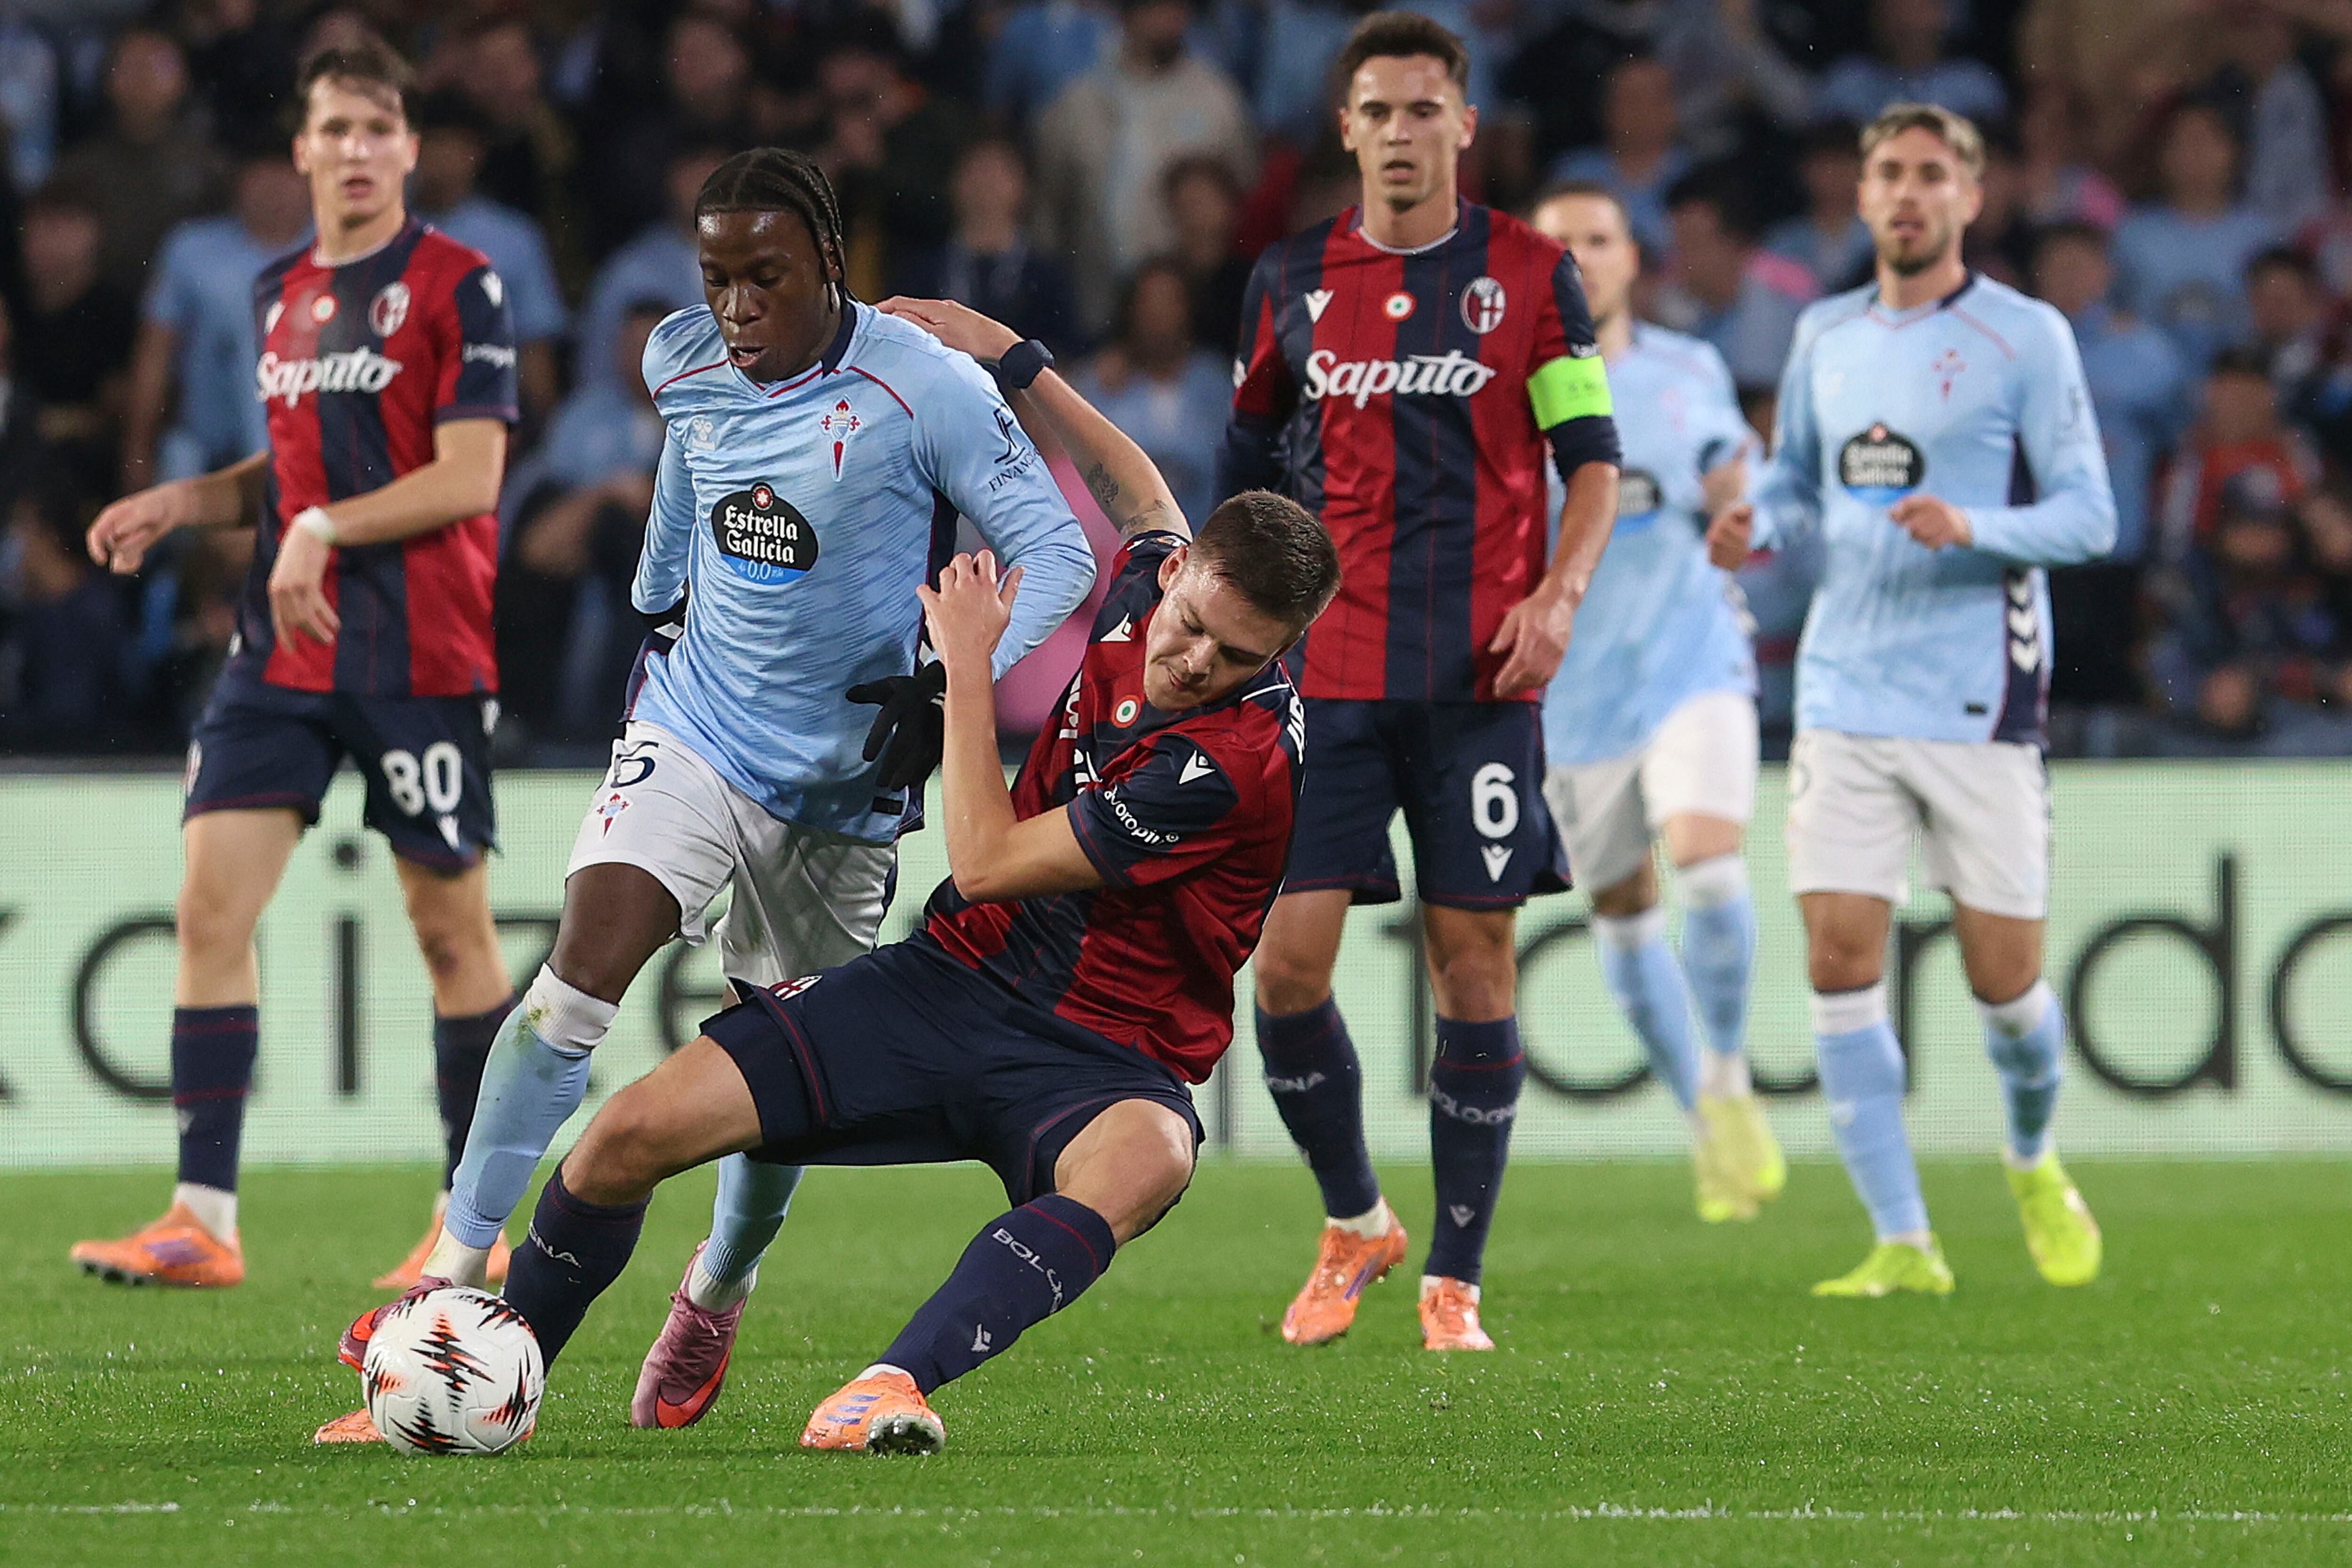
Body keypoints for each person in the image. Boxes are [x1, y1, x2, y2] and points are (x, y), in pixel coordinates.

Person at [439, 291, 1337, 1456]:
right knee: (620, 1139)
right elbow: (1141, 495)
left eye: (1238, 657)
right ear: (1177, 578)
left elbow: (990, 857)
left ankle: (886, 1386)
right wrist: (1015, 358)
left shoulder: (1237, 759)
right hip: (952, 984)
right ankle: (483, 1382)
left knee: (1151, 1158)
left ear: (1281, 657)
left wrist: (965, 665)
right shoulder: (1155, 579)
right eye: (1195, 624)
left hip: (1114, 1049)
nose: (1195, 661)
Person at [319, 150, 1097, 1444]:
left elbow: (1062, 551)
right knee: (572, 979)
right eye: (718, 276)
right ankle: (450, 1279)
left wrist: (954, 692)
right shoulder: (680, 357)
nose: (736, 305)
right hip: (695, 725)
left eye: (766, 278)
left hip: (849, 785)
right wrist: (657, 602)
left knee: (779, 1071)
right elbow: (684, 504)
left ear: (831, 267)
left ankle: (719, 1287)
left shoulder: (927, 388)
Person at [70, 39, 522, 1292]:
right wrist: (188, 498)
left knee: (450, 936)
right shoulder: (277, 291)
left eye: (382, 128)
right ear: (302, 152)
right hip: (284, 653)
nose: (359, 150)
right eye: (336, 129)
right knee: (211, 906)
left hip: (419, 650)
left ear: (412, 150)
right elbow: (306, 470)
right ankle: (202, 1215)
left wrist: (318, 530)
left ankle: (463, 1222)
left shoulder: (459, 284)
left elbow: (469, 472)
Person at [1218, 12, 1621, 1353]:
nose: (1400, 132)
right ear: (1346, 128)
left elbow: (1594, 460)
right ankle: (1354, 1219)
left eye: (1423, 109)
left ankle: (1456, 1275)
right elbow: (1249, 471)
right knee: (1285, 967)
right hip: (1325, 677)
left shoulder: (1534, 272)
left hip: (1479, 683)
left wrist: (1558, 597)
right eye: (1377, 111)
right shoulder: (1289, 279)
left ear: (1463, 122)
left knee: (1476, 962)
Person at [1707, 104, 2116, 1298]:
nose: (1906, 193)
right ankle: (1902, 1240)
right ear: (1863, 193)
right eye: (1888, 172)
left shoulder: (2023, 337)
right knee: (1838, 957)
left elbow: (2092, 514)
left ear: (1970, 200)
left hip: (1978, 694)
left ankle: (2033, 1155)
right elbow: (1794, 481)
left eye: (1932, 176)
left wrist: (1974, 525)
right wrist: (1758, 523)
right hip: (1842, 688)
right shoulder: (1825, 332)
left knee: (2005, 986)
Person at [1527, 183, 1783, 1224]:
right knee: (1625, 913)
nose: (1582, 256)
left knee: (1711, 863)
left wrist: (1744, 522)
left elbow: (1738, 482)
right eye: (1561, 243)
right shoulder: (1502, 394)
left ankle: (1723, 1068)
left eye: (1599, 238)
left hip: (1692, 659)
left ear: (1634, 258)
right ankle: (1705, 1114)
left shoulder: (1688, 372)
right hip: (1576, 696)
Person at [1033, 0, 1255, 333]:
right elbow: (1048, 215)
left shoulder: (1217, 102)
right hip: (1094, 306)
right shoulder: (1077, 103)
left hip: (1190, 320)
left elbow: (1244, 201)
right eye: (1157, 9)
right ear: (1127, 15)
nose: (1171, 19)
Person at [122, 151, 311, 492]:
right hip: (202, 454)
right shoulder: (190, 249)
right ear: (238, 180)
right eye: (261, 173)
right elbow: (154, 356)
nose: (275, 188)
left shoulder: (339, 253)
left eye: (288, 175)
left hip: (307, 458)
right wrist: (138, 452)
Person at [1077, 260, 1232, 525]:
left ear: (1189, 308)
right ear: (1130, 310)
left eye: (1169, 301)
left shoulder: (1216, 382)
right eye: (1148, 302)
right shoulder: (1103, 381)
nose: (1158, 315)